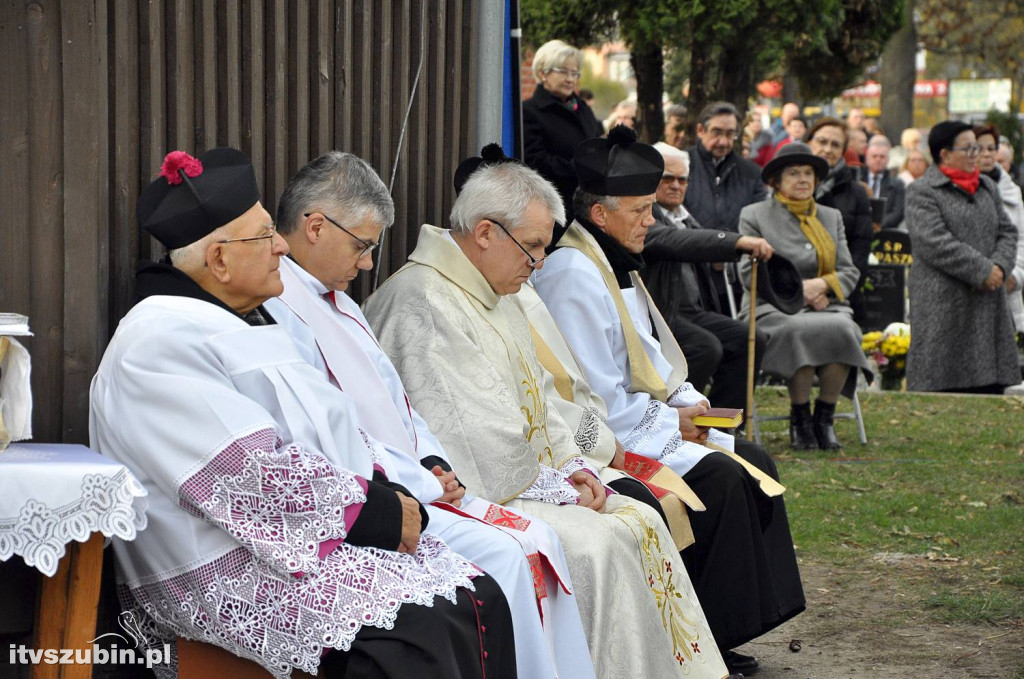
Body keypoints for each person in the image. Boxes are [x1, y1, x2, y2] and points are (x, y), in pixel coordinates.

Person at [90, 148, 516, 679]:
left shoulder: (249, 322)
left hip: (289, 544)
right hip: (218, 569)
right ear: (219, 260)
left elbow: (328, 423)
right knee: (419, 632)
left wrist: (387, 487)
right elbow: (250, 477)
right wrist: (380, 513)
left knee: (480, 595)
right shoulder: (157, 339)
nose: (281, 247)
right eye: (264, 236)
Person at [362, 160, 731, 679]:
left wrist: (574, 465)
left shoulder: (495, 288)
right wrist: (558, 488)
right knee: (599, 544)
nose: (540, 262)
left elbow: (544, 397)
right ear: (486, 232)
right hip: (472, 493)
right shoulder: (423, 304)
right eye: (533, 246)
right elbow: (473, 436)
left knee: (639, 518)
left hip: (527, 480)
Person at [263, 151, 596, 679]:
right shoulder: (279, 306)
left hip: (418, 480)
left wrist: (434, 458)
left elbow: (402, 405)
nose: (369, 263)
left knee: (550, 539)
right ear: (316, 227)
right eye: (363, 246)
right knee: (516, 553)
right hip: (378, 497)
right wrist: (416, 477)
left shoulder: (344, 304)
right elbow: (324, 430)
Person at [532, 127, 805, 677]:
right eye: (640, 209)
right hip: (609, 440)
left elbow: (651, 360)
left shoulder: (611, 264)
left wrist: (693, 405)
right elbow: (594, 394)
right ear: (602, 214)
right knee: (723, 482)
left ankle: (722, 627)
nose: (651, 221)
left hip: (646, 422)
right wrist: (672, 425)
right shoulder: (572, 274)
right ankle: (703, 639)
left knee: (754, 460)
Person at [737, 142, 871, 449]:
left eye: (808, 173)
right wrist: (801, 293)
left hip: (828, 305)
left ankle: (824, 418)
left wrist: (822, 286)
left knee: (843, 329)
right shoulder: (754, 215)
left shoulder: (830, 216)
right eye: (794, 173)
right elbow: (748, 273)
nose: (803, 179)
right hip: (770, 309)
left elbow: (849, 270)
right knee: (801, 329)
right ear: (776, 181)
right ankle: (800, 417)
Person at [642, 141, 772, 411]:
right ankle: (676, 418)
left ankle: (721, 425)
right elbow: (674, 241)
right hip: (658, 314)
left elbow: (691, 238)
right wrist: (734, 242)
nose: (676, 185)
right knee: (705, 346)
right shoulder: (645, 216)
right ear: (651, 178)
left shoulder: (686, 218)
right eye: (667, 178)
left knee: (749, 338)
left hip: (692, 311)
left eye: (683, 179)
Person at [905, 121, 1020, 393]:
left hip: (988, 299)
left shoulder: (987, 187)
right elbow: (935, 241)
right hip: (944, 303)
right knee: (944, 380)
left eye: (977, 148)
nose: (976, 154)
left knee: (989, 386)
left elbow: (1007, 231)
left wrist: (1000, 268)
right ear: (944, 154)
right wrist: (982, 271)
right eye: (968, 149)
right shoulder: (922, 191)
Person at [684, 101, 768, 312]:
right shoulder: (682, 167)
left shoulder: (751, 173)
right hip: (692, 272)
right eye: (717, 132)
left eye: (731, 134)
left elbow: (759, 221)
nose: (723, 141)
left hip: (737, 272)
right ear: (701, 130)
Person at [522, 39, 604, 223]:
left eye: (575, 73)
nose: (570, 79)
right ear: (543, 73)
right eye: (563, 72)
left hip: (591, 206)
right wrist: (580, 169)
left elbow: (596, 142)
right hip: (555, 208)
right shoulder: (530, 111)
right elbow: (535, 161)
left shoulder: (582, 108)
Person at [807, 117, 873, 320]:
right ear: (809, 142)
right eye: (822, 141)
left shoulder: (856, 193)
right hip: (794, 294)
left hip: (840, 295)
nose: (827, 149)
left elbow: (860, 250)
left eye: (835, 144)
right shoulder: (787, 185)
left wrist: (829, 288)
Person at [858, 136, 906, 231]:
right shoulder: (858, 181)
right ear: (867, 159)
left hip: (886, 232)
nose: (878, 159)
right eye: (874, 156)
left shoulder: (897, 185)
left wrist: (878, 226)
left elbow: (898, 212)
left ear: (888, 160)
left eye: (882, 157)